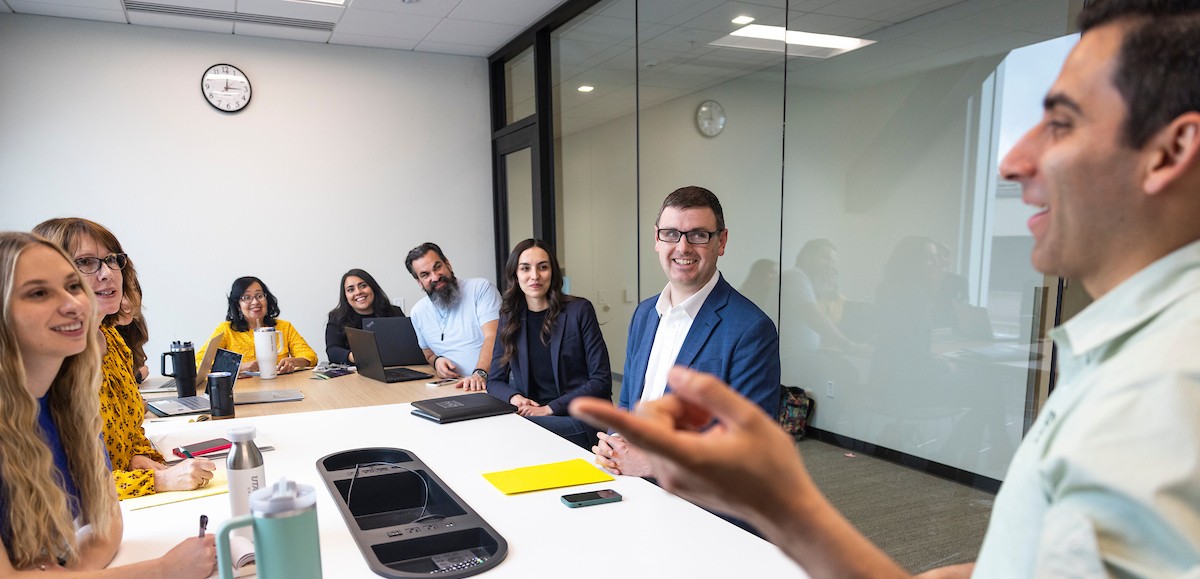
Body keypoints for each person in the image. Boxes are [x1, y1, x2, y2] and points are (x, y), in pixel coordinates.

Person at [572, 1, 1200, 576]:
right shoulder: (1119, 359)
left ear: (1171, 149)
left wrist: (778, 504)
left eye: (1060, 123)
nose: (1011, 162)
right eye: (669, 235)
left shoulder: (1169, 389)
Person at [0, 231, 216, 576]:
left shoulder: (69, 403)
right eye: (38, 293)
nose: (73, 304)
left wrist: (58, 573)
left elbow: (106, 527)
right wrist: (163, 570)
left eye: (72, 287)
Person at [594, 186, 780, 479]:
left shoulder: (751, 329)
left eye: (698, 235)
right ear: (657, 239)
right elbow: (629, 403)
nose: (682, 247)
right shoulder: (644, 315)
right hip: (630, 484)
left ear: (721, 241)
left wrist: (651, 465)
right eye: (671, 233)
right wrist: (615, 441)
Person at [33, 218, 215, 500]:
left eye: (111, 259)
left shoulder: (113, 340)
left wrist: (138, 457)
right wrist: (158, 480)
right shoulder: (47, 367)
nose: (107, 273)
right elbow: (62, 485)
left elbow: (130, 433)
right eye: (86, 262)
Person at [485, 239, 612, 449]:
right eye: (525, 268)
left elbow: (601, 380)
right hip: (534, 413)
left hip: (580, 415)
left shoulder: (579, 310)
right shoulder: (510, 318)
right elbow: (495, 381)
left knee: (515, 430)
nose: (534, 276)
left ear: (552, 272)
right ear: (515, 275)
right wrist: (515, 398)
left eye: (542, 267)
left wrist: (549, 408)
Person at [405, 242, 501, 391]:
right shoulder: (418, 312)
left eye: (437, 267)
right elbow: (429, 354)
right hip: (454, 387)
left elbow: (493, 337)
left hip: (492, 382)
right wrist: (437, 362)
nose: (435, 277)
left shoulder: (480, 289)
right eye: (425, 275)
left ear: (448, 264)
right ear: (419, 282)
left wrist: (480, 374)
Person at [197, 276, 318, 374]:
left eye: (259, 296)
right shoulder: (226, 330)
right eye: (247, 297)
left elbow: (310, 357)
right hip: (241, 391)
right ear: (238, 305)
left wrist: (294, 362)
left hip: (280, 386)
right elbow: (199, 363)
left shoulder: (284, 327)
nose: (255, 302)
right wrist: (240, 366)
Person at [325, 268, 406, 364]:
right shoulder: (337, 317)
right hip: (355, 373)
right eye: (351, 290)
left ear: (373, 288)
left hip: (394, 367)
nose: (358, 292)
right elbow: (332, 351)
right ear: (345, 296)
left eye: (363, 286)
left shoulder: (394, 312)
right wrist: (356, 357)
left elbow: (408, 344)